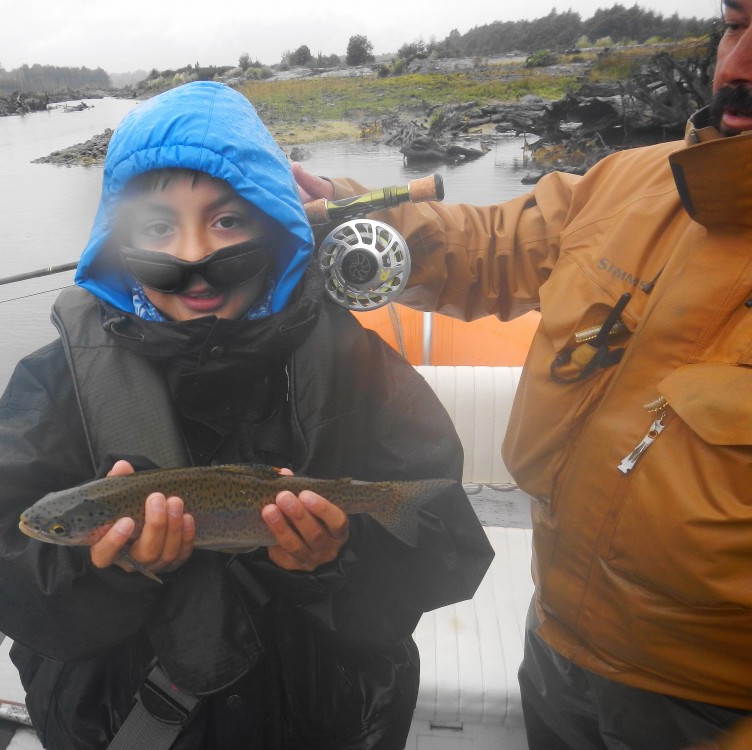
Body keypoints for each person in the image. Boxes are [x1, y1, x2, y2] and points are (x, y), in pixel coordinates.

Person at [0, 80, 494, 750]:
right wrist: (107, 571)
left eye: (228, 220)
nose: (194, 257)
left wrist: (333, 558)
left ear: (274, 225)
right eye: (157, 227)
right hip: (122, 723)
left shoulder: (356, 367)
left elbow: (446, 548)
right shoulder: (55, 382)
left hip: (325, 720)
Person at [294, 4, 752, 748]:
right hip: (557, 645)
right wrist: (338, 210)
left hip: (709, 706)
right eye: (735, 23)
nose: (736, 65)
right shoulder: (635, 182)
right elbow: (489, 248)